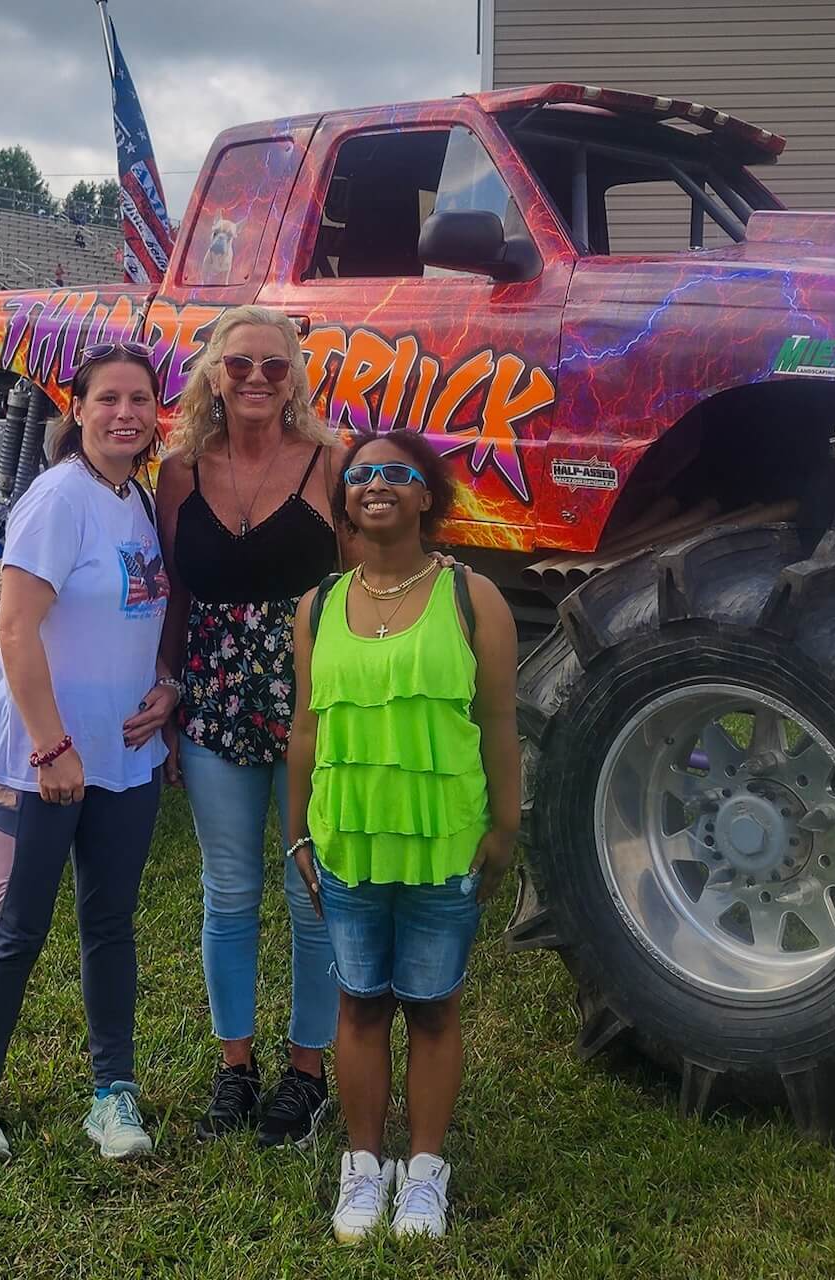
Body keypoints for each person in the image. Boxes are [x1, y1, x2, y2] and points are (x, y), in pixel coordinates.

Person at [287, 430, 520, 1241]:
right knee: (357, 1004)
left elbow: (497, 723)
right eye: (359, 476)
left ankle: (423, 1172)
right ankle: (363, 1166)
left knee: (431, 1008)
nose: (375, 485)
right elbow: (306, 733)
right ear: (345, 500)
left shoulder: (472, 598)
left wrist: (506, 824)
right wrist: (297, 835)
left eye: (396, 474)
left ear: (428, 496)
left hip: (443, 840)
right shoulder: (316, 607)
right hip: (348, 839)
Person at [0, 342, 178, 1162]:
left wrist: (165, 683)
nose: (125, 413)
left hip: (125, 760)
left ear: (157, 415)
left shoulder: (138, 500)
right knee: (16, 929)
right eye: (108, 399)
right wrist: (53, 750)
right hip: (41, 763)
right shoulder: (58, 499)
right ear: (76, 410)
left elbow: (141, 614)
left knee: (110, 925)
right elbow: (12, 626)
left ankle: (112, 1093)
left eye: (140, 400)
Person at [156, 305, 345, 1147]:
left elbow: (366, 577)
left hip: (316, 702)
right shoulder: (180, 472)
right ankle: (237, 1066)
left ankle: (309, 1075)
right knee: (228, 893)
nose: (257, 378)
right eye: (240, 365)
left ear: (296, 375)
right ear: (213, 375)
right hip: (212, 699)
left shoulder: (331, 465)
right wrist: (166, 688)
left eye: (275, 365)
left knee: (314, 895)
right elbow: (174, 593)